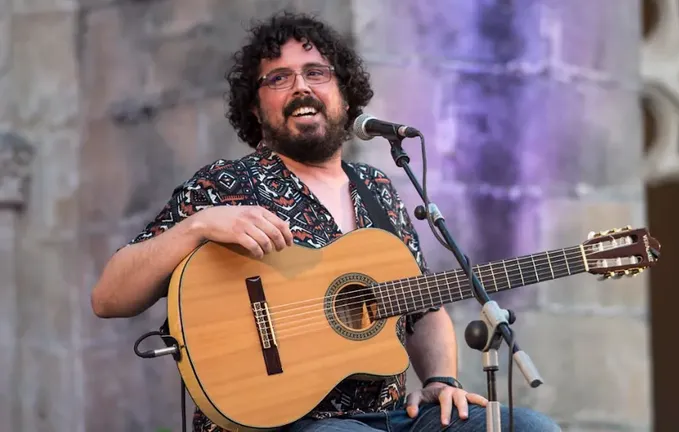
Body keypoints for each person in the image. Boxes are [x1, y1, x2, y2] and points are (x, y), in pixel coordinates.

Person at [90, 11, 561, 432]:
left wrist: (440, 380)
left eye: (316, 72)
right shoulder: (226, 184)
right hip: (277, 420)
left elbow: (421, 303)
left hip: (392, 415)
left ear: (344, 95)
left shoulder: (378, 189)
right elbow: (109, 296)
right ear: (254, 107)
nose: (301, 87)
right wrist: (197, 227)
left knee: (531, 427)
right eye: (279, 78)